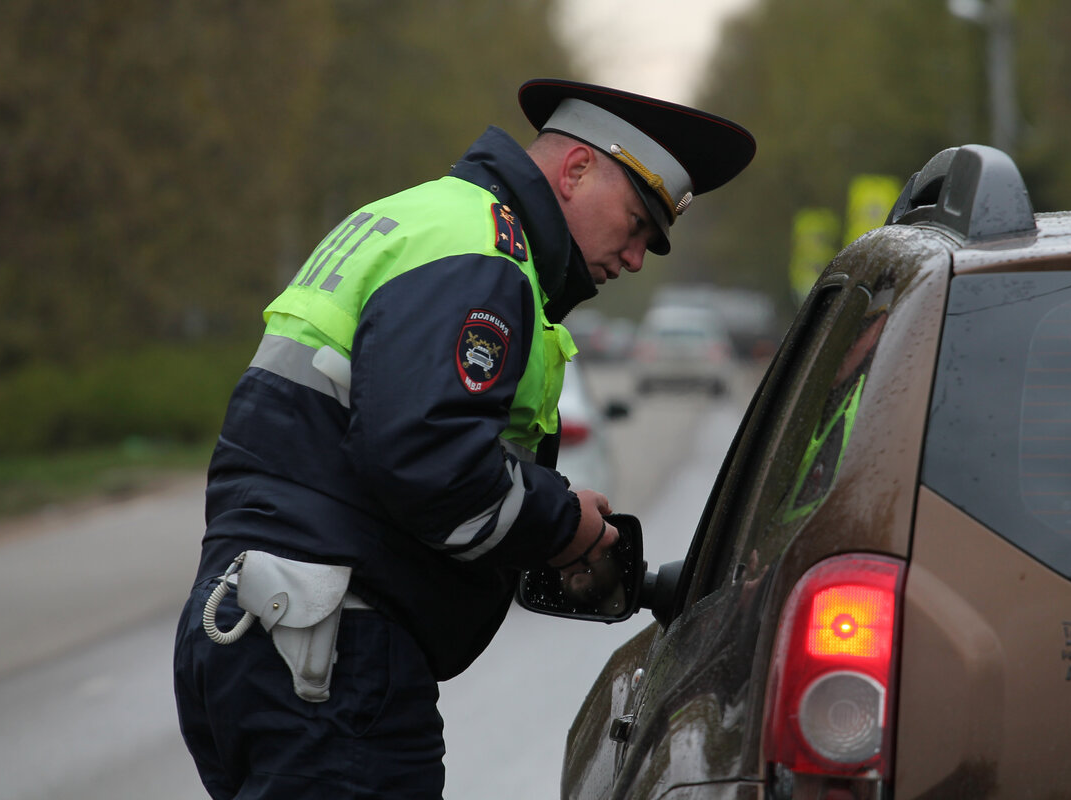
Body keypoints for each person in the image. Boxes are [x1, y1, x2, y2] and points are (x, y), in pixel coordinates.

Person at [173, 77, 755, 799]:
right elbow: (428, 461)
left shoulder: (413, 217)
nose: (634, 257)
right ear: (575, 172)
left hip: (251, 632)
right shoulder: (482, 251)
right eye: (636, 223)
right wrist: (564, 524)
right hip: (332, 658)